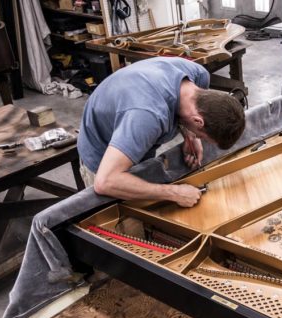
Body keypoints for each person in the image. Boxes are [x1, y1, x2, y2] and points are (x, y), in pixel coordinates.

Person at [77, 57, 246, 207]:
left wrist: (190, 135)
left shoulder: (198, 76)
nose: (199, 138)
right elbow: (106, 181)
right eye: (202, 136)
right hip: (103, 154)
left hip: (130, 116)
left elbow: (192, 113)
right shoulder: (147, 116)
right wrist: (175, 193)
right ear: (198, 121)